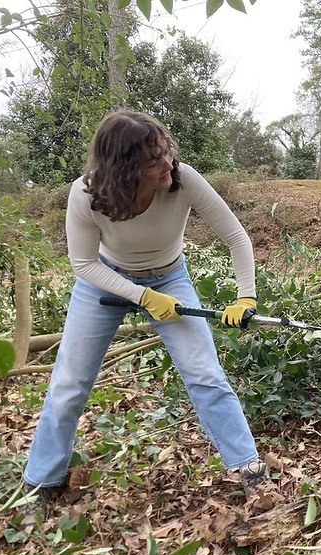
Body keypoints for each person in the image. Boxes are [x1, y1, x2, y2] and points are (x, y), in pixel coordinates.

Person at [22, 109, 268, 512]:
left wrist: (246, 297)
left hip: (171, 276)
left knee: (205, 373)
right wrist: (142, 296)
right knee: (69, 385)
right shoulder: (86, 195)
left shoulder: (184, 180)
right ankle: (39, 482)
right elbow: (83, 264)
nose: (167, 164)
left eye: (165, 152)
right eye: (153, 161)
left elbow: (237, 237)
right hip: (103, 280)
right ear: (123, 169)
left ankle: (249, 468)